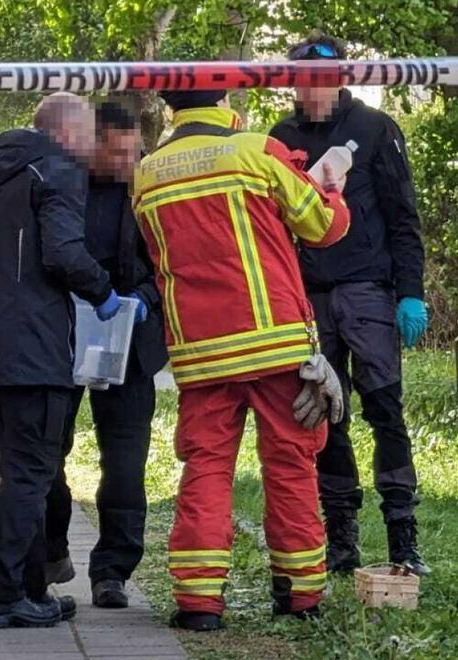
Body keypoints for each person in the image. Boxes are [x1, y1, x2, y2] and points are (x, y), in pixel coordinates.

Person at [131, 89, 351, 631]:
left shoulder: (147, 173)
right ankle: (300, 595)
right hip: (276, 342)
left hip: (200, 351)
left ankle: (199, 602)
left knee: (205, 467)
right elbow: (322, 228)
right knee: (291, 464)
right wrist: (333, 189)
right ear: (225, 97)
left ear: (170, 107)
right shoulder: (257, 150)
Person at [0, 93, 121, 629]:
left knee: (16, 471)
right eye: (87, 135)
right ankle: (1, 596)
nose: (91, 147)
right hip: (34, 350)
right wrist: (104, 292)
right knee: (31, 473)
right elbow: (62, 252)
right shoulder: (57, 171)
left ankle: (29, 590)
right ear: (65, 133)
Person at [269, 33, 432, 577]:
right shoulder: (278, 139)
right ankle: (340, 541)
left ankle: (402, 539)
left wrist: (410, 291)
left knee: (385, 409)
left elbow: (403, 217)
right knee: (326, 417)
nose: (309, 89)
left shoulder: (374, 129)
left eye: (320, 77)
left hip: (368, 292)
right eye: (300, 79)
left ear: (340, 77)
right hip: (307, 299)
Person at [43, 101, 169, 609]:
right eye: (116, 153)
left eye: (133, 151)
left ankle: (112, 571)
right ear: (91, 145)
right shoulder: (58, 185)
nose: (127, 162)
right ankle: (52, 546)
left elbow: (169, 262)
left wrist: (145, 299)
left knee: (125, 463)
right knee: (48, 454)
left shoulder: (149, 191)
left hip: (130, 344)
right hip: (62, 338)